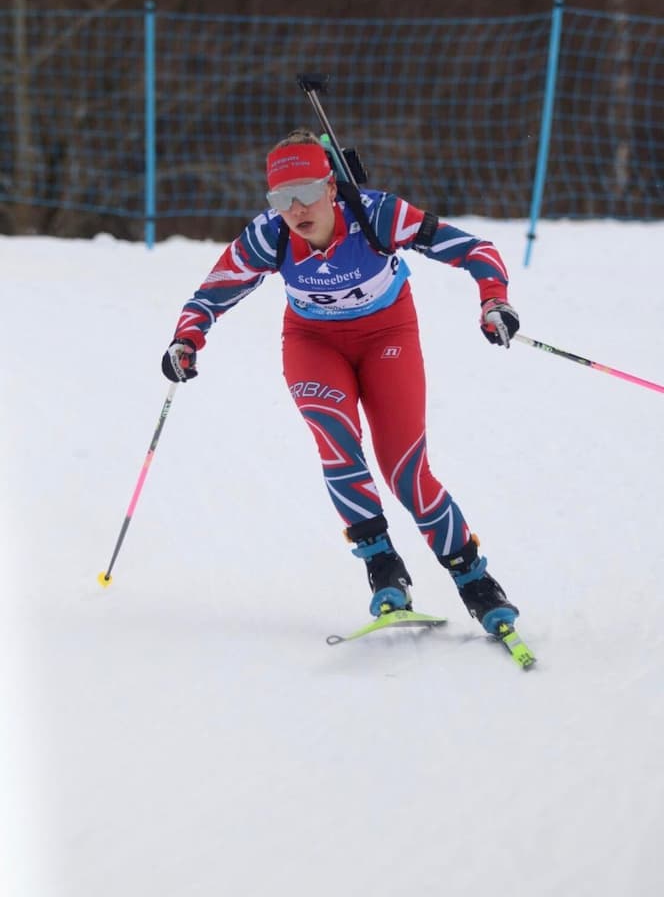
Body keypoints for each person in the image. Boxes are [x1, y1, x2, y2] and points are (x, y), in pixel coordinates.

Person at [162, 129, 522, 634]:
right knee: (335, 436)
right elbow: (211, 294)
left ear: (331, 187)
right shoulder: (270, 235)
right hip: (314, 343)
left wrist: (493, 300)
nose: (295, 209)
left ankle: (475, 581)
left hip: (388, 337)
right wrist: (185, 340)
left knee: (405, 471)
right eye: (281, 198)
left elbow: (474, 249)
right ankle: (383, 568)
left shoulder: (378, 215)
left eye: (307, 192)